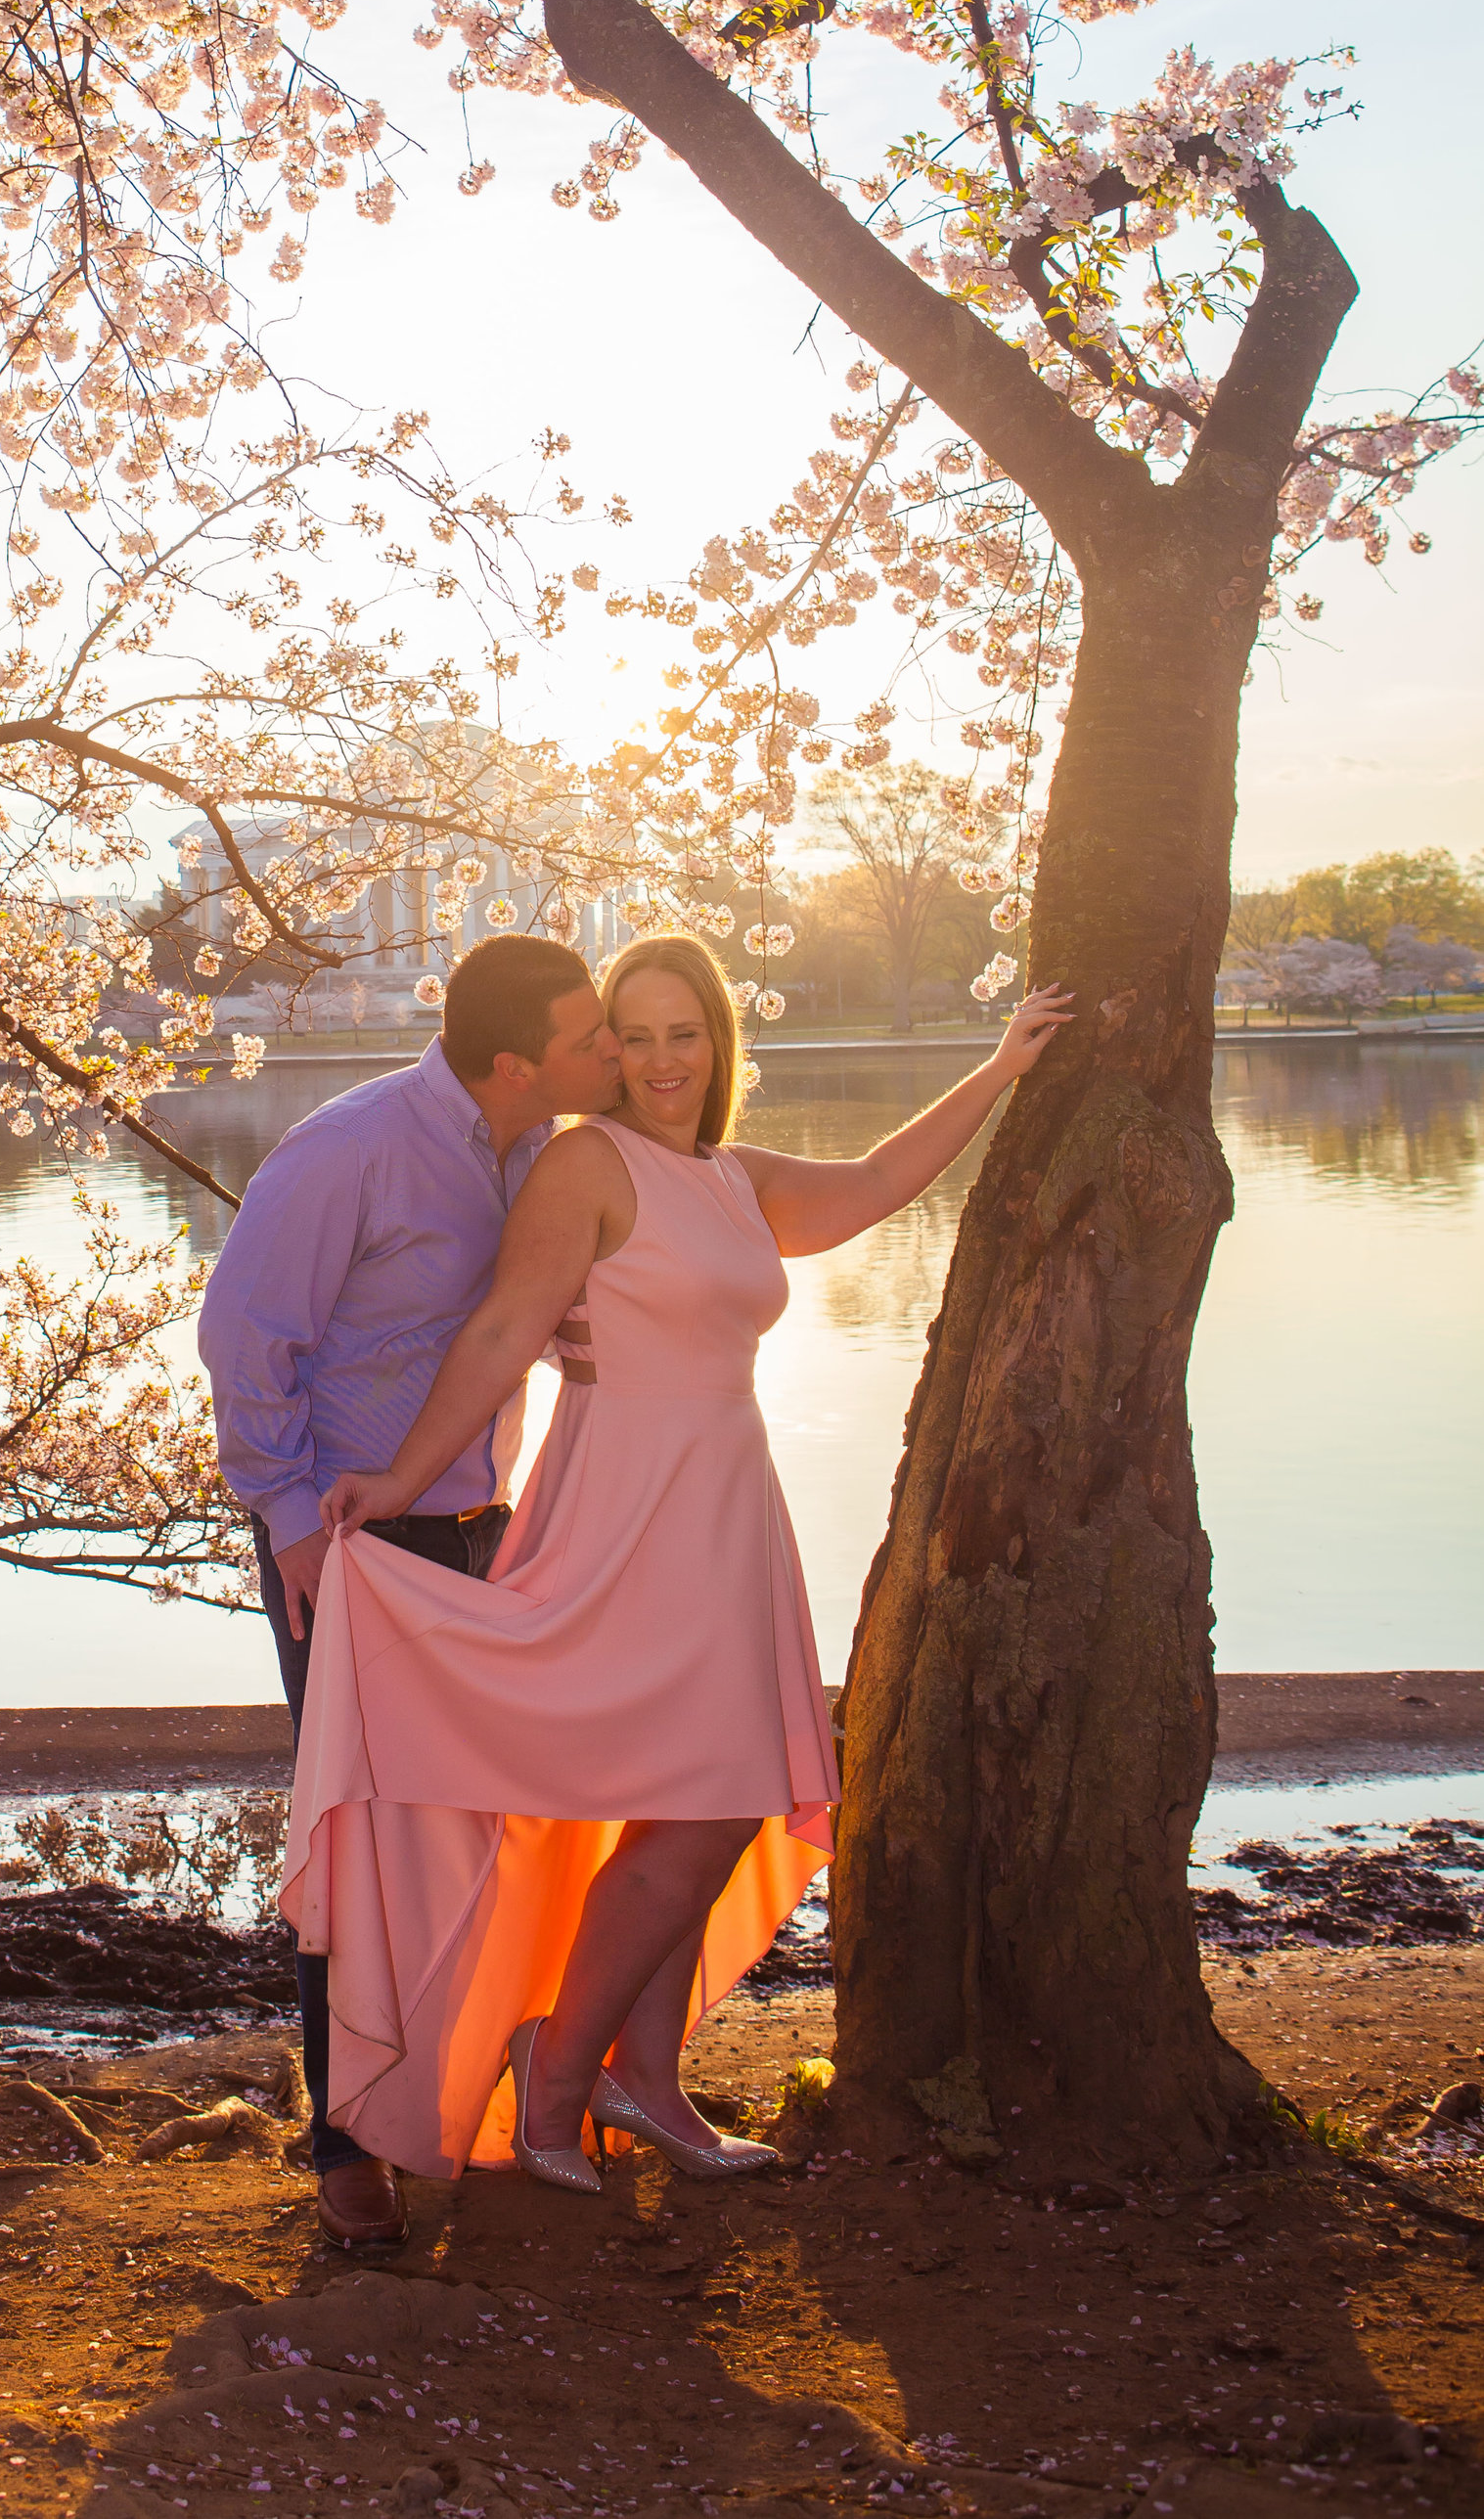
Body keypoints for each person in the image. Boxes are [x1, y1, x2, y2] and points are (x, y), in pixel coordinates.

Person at [283, 931, 1073, 2194]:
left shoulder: (733, 1176)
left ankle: (643, 2081)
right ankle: (555, 2072)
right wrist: (398, 1479)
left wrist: (1001, 1068)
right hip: (624, 1513)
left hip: (728, 1512)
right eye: (631, 1034)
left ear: (718, 1042)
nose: (656, 1057)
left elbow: (875, 1180)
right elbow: (499, 1330)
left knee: (711, 1797)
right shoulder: (586, 1165)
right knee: (696, 1800)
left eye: (680, 1033)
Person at [198, 932, 625, 2249]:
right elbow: (242, 1332)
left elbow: (489, 1323)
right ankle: (343, 2143)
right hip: (352, 1546)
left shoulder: (539, 1157)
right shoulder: (350, 1148)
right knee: (358, 1844)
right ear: (517, 1060)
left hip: (485, 1534)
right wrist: (292, 1529)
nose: (610, 1050)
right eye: (590, 1035)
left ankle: (454, 2096)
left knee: (489, 1829)